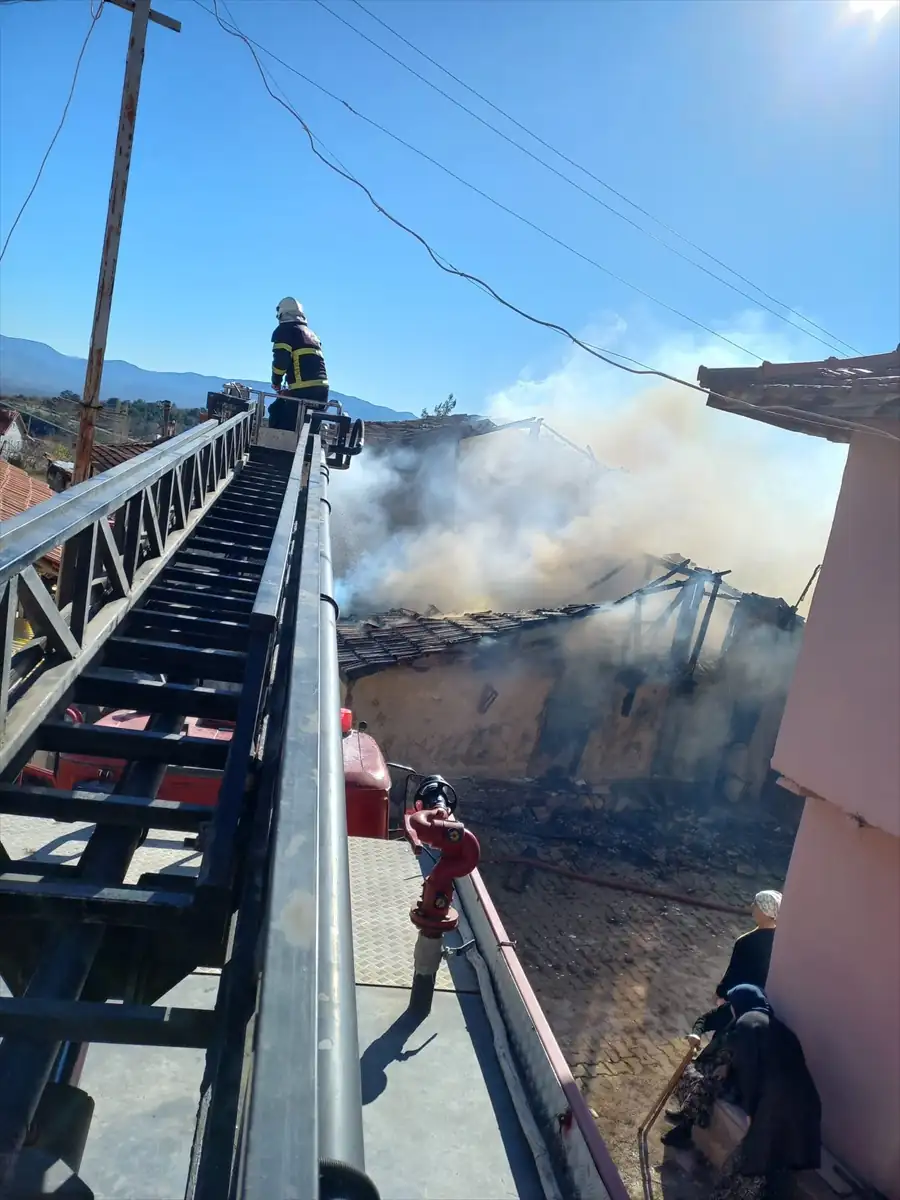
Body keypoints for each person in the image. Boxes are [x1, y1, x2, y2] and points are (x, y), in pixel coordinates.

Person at [664, 985, 821, 1200]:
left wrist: (751, 1110)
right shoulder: (778, 1029)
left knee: (743, 1173)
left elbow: (749, 1072)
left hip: (774, 1111)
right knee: (779, 1177)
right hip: (808, 1110)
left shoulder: (747, 1024)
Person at [692, 890, 782, 1040]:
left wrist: (720, 992)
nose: (753, 907)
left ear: (766, 911)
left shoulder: (746, 941)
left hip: (739, 1000)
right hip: (764, 1004)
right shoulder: (781, 941)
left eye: (757, 904)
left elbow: (734, 971)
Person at [269, 297, 329, 431]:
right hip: (321, 391)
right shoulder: (311, 335)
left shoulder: (285, 331)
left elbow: (280, 362)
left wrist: (276, 381)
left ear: (281, 314)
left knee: (282, 422)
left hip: (302, 391)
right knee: (309, 430)